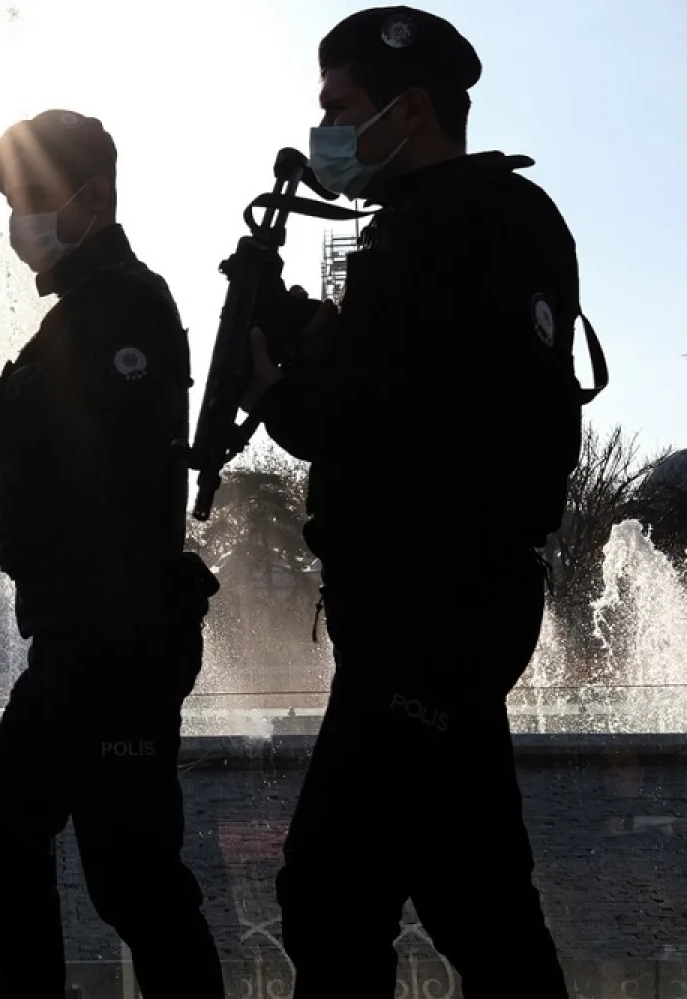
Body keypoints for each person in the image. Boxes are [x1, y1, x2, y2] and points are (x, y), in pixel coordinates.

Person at [240, 7, 607, 996]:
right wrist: (301, 342)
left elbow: (399, 421)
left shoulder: (485, 222)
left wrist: (282, 388)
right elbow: (391, 392)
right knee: (477, 899)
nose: (327, 130)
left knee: (329, 893)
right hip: (421, 606)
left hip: (437, 605)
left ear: (408, 108)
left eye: (340, 107)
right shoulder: (423, 230)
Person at [0, 109, 224, 998]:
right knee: (3, 835)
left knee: (135, 881)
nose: (19, 220)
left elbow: (121, 478)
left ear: (95, 198)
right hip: (75, 639)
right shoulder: (79, 313)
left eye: (33, 197)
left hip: (116, 640)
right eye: (11, 201)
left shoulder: (124, 307)